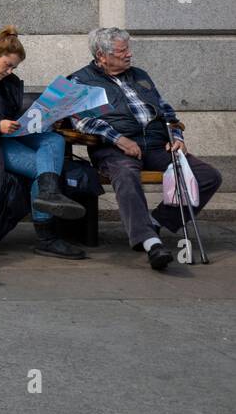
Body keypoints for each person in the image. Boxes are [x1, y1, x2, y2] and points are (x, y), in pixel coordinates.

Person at [70, 28, 223, 270]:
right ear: (102, 55)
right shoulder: (81, 80)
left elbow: (166, 110)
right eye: (123, 51)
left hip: (156, 145)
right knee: (126, 173)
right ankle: (151, 243)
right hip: (114, 148)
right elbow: (82, 120)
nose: (129, 55)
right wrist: (118, 139)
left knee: (208, 176)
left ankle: (153, 222)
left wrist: (176, 135)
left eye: (128, 49)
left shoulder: (139, 75)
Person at [0, 27, 87, 260]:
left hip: (8, 135)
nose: (10, 71)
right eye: (8, 65)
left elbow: (13, 113)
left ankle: (49, 194)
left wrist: (44, 118)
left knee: (53, 138)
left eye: (14, 67)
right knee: (41, 170)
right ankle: (47, 237)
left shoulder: (6, 81)